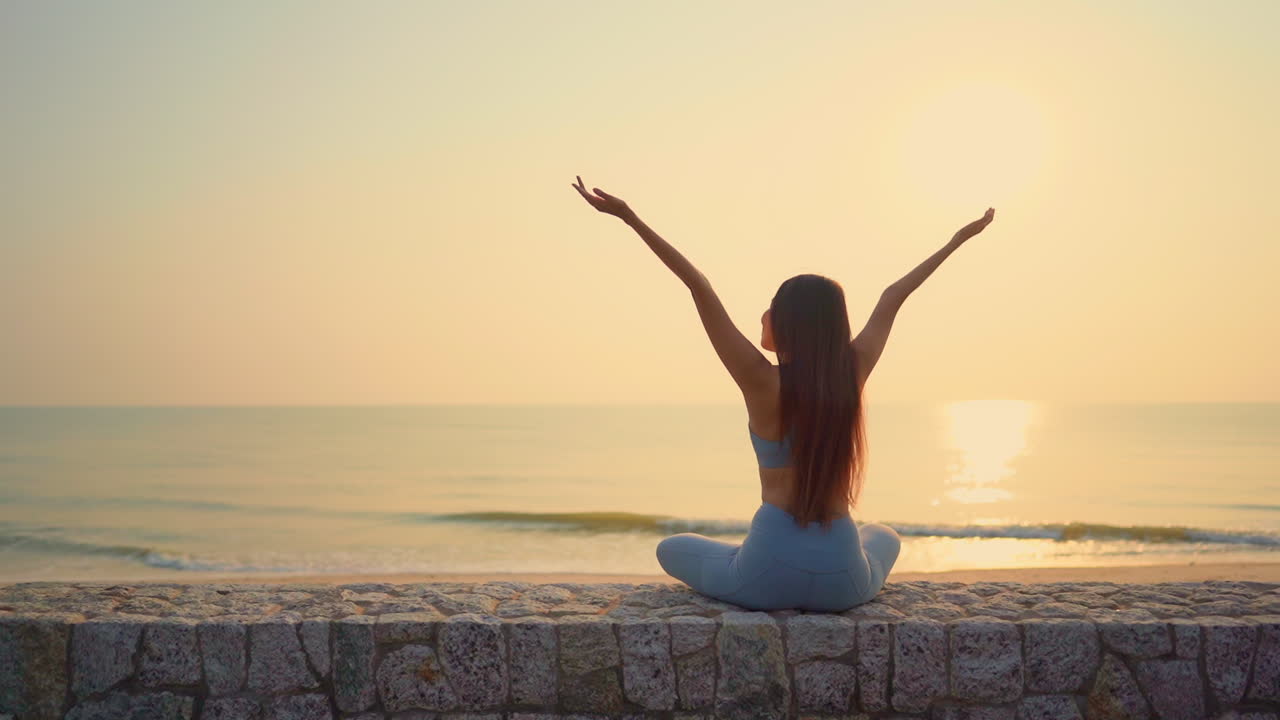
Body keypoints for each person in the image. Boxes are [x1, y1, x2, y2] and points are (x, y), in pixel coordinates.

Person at [571, 175, 995, 611]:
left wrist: (630, 217)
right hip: (843, 582)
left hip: (765, 574)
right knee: (883, 535)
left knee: (672, 548)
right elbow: (893, 297)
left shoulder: (758, 379)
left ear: (788, 322)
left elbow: (698, 285)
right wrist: (957, 240)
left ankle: (744, 558)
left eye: (771, 307)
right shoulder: (852, 372)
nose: (763, 314)